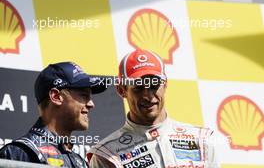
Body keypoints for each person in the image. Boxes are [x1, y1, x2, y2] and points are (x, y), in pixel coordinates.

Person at [87, 50, 220, 168]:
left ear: (165, 84)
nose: (148, 96)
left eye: (154, 85)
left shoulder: (201, 139)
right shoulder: (107, 154)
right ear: (122, 90)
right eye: (138, 88)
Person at [0, 62, 107, 167]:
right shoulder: (20, 152)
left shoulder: (80, 162)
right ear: (55, 97)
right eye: (84, 96)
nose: (91, 104)